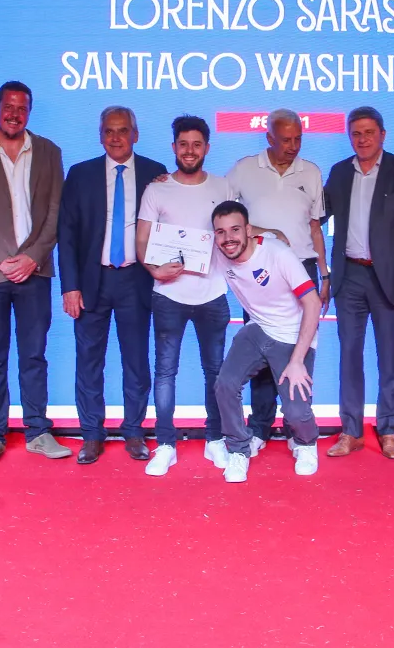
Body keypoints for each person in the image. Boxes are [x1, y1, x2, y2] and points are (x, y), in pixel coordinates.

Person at [0, 81, 70, 466]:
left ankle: (38, 431)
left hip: (34, 272)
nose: (14, 114)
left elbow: (56, 212)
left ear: (29, 113)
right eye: (8, 106)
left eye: (22, 108)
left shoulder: (49, 151)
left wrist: (32, 257)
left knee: (34, 356)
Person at [58, 106, 167, 465]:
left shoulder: (155, 173)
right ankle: (91, 434)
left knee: (136, 360)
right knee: (89, 360)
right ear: (100, 136)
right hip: (92, 281)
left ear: (135, 135)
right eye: (109, 131)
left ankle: (133, 431)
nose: (116, 138)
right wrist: (70, 286)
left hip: (136, 279)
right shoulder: (80, 174)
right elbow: (66, 234)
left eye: (122, 130)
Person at [322, 106, 394, 459]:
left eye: (369, 132)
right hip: (349, 276)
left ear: (382, 134)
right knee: (349, 357)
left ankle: (388, 430)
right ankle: (351, 432)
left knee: (390, 358)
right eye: (356, 133)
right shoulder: (339, 172)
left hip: (391, 279)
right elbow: (316, 213)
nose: (363, 139)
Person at [225, 108, 329, 456]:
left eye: (298, 139)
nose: (293, 146)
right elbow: (223, 211)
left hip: (303, 270)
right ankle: (260, 427)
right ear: (269, 137)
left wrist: (325, 272)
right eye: (286, 140)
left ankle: (297, 430)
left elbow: (315, 227)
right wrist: (264, 232)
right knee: (262, 352)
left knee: (299, 351)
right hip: (260, 272)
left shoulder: (311, 172)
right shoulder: (244, 169)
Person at [136, 115, 233, 476]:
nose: (189, 151)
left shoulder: (223, 186)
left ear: (207, 148)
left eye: (196, 144)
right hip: (168, 296)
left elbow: (234, 235)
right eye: (183, 144)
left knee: (216, 372)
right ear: (173, 147)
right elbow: (142, 239)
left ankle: (215, 439)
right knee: (165, 373)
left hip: (213, 294)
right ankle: (165, 444)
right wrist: (153, 269)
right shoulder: (157, 190)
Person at [211, 201, 322, 483]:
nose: (228, 238)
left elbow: (312, 302)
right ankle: (238, 449)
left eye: (235, 230)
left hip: (293, 335)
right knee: (225, 384)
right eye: (220, 232)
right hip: (259, 329)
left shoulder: (277, 253)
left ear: (249, 230)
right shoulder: (219, 250)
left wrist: (297, 361)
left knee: (296, 412)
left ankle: (306, 443)